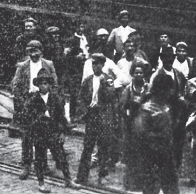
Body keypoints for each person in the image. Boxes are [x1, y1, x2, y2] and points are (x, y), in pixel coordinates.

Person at [22, 68, 79, 192]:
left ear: (49, 85)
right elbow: (28, 117)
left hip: (53, 133)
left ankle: (68, 180)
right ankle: (41, 183)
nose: (44, 86)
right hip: (40, 133)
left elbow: (61, 118)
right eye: (41, 83)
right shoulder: (33, 100)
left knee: (61, 157)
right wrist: (37, 120)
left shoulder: (55, 99)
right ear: (38, 85)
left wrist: (62, 132)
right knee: (40, 159)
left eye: (46, 83)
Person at [12, 40, 58, 179]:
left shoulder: (48, 64)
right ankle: (26, 165)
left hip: (44, 103)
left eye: (36, 51)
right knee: (27, 136)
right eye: (31, 51)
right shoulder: (22, 66)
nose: (34, 54)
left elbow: (55, 84)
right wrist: (23, 103)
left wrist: (50, 102)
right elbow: (15, 86)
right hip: (28, 103)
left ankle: (43, 165)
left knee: (42, 135)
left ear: (41, 51)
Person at [134, 73, 179, 194]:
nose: (171, 93)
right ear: (162, 90)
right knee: (151, 187)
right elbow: (140, 133)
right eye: (169, 89)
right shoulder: (146, 109)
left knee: (171, 187)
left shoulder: (166, 107)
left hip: (167, 154)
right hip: (151, 155)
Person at [75, 54, 115, 186]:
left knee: (103, 147)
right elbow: (81, 98)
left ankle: (102, 175)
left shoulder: (108, 79)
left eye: (98, 64)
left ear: (103, 65)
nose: (95, 66)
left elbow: (111, 96)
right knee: (88, 146)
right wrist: (85, 112)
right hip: (91, 116)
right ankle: (82, 176)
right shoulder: (87, 80)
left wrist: (104, 83)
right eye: (93, 64)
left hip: (103, 116)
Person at [119, 60, 150, 191]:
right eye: (136, 73)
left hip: (146, 126)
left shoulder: (148, 88)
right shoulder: (128, 89)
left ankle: (143, 184)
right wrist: (128, 113)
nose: (138, 75)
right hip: (131, 125)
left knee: (144, 156)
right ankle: (130, 185)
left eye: (141, 73)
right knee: (131, 156)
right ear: (132, 74)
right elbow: (121, 106)